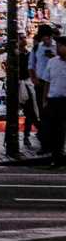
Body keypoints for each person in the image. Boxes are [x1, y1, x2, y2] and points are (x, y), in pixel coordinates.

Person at [43, 35, 66, 167]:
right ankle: (56, 158)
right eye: (57, 45)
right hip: (53, 101)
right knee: (54, 131)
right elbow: (47, 82)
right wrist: (44, 100)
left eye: (61, 46)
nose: (57, 48)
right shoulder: (52, 62)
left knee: (62, 130)